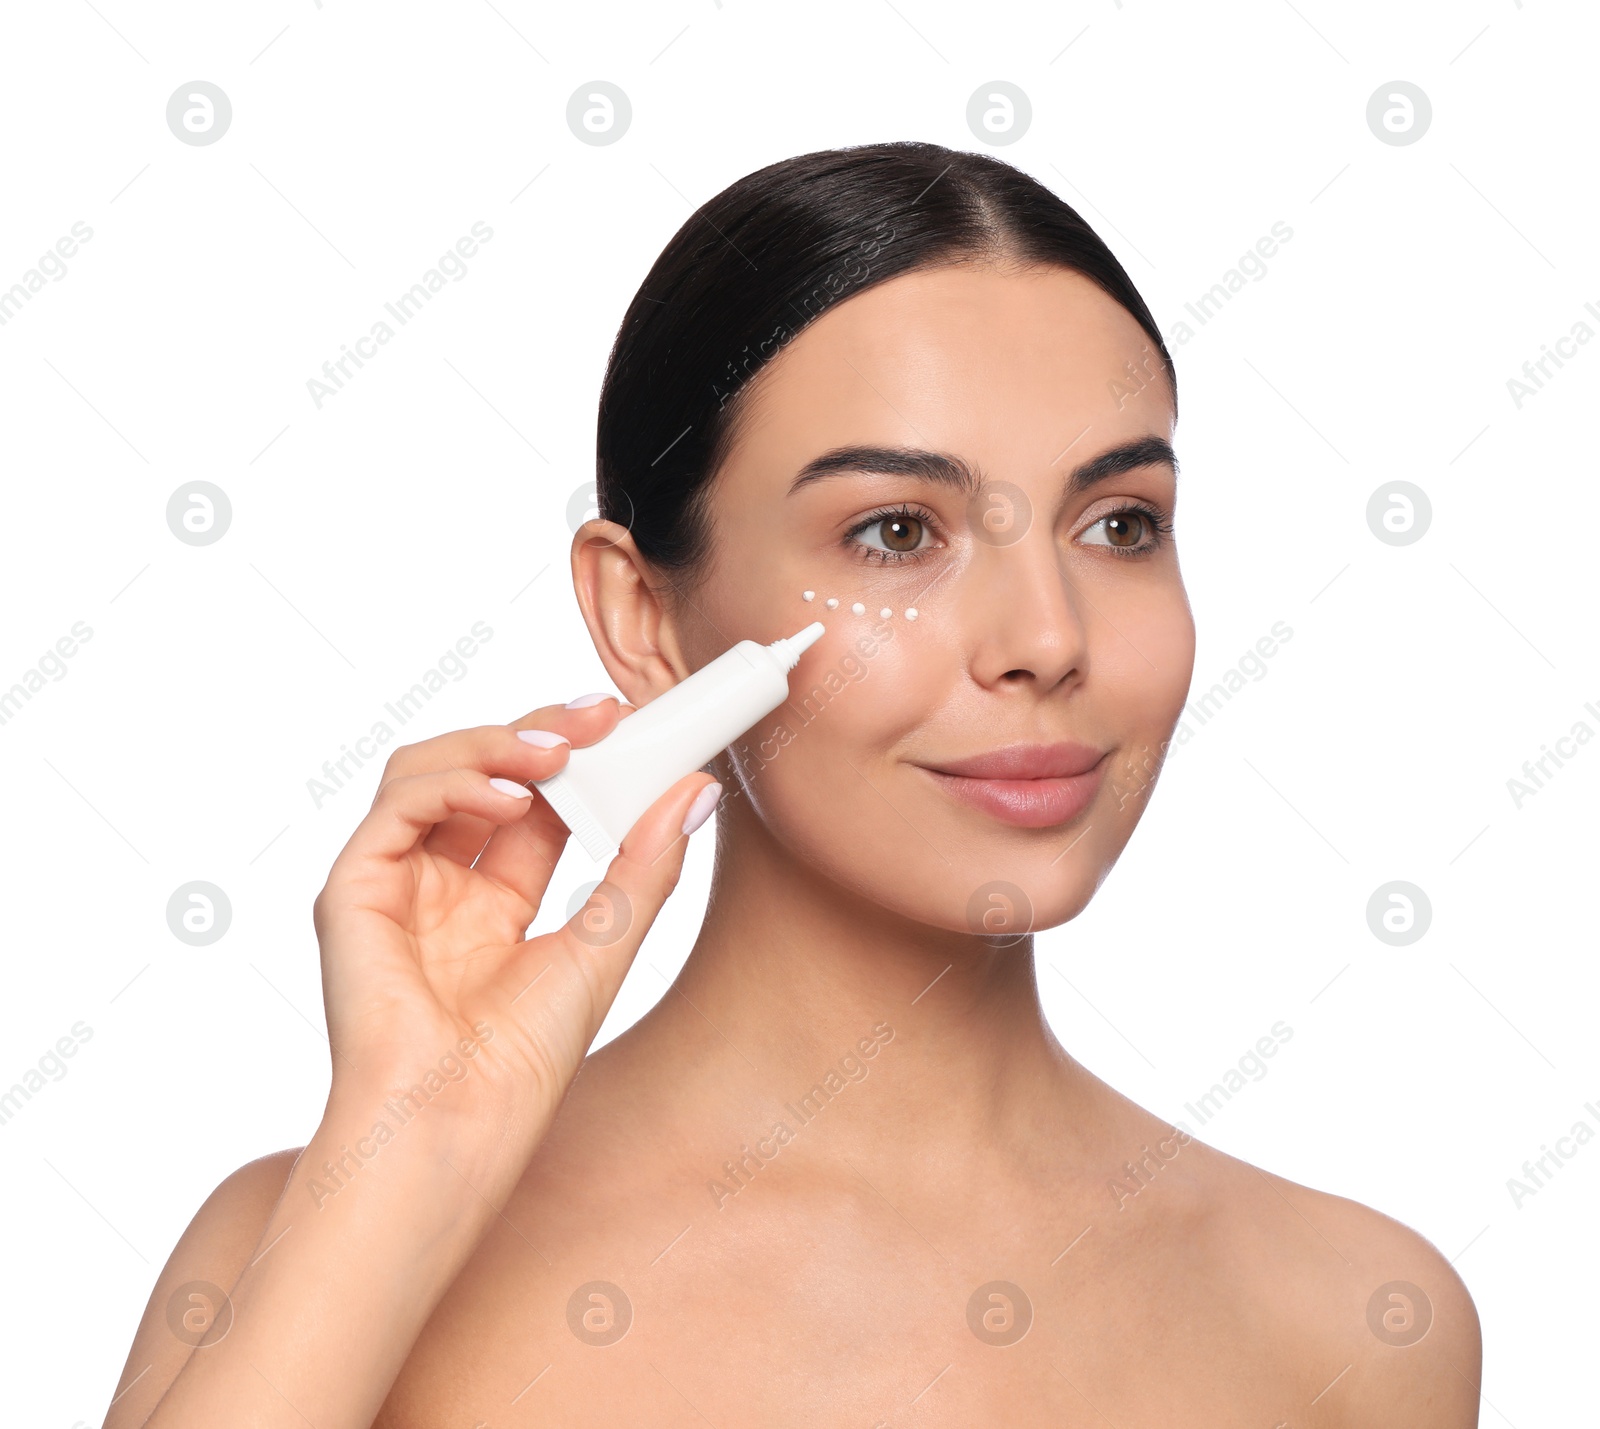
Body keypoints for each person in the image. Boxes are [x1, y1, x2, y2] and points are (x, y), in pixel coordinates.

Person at [107, 140, 1481, 1428]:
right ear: (646, 619)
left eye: (1120, 523)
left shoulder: (1352, 1322)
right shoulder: (309, 1254)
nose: (1048, 639)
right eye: (896, 531)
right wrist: (413, 1159)